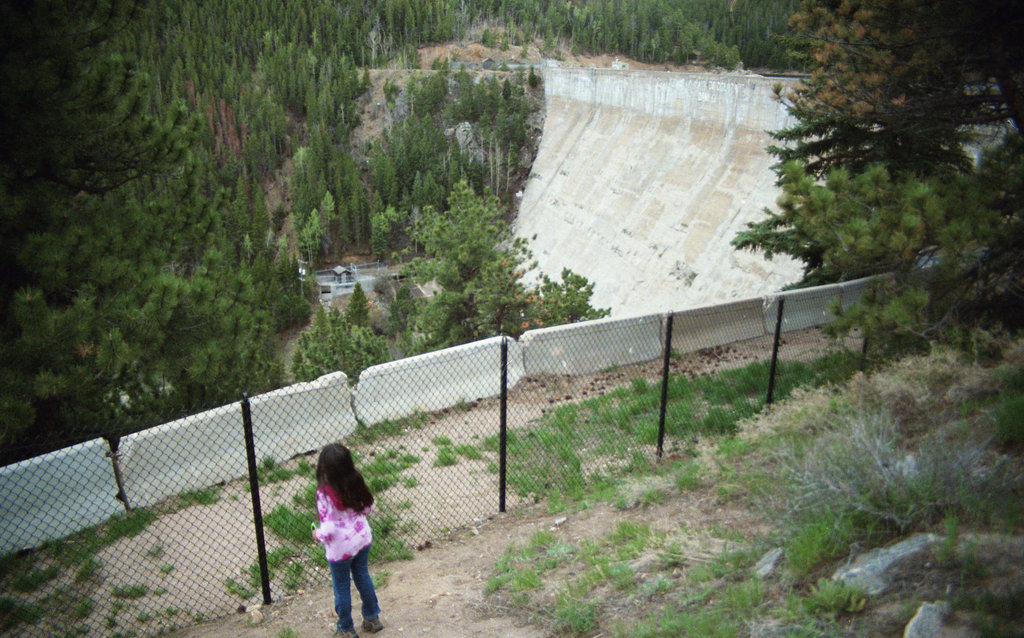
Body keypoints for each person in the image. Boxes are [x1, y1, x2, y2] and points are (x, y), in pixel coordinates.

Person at [312, 443, 384, 637]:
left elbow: (327, 530)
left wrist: (316, 534)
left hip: (340, 549)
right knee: (362, 576)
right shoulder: (356, 481)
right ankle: (372, 618)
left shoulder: (324, 493)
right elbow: (367, 508)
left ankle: (346, 628)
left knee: (342, 586)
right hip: (362, 539)